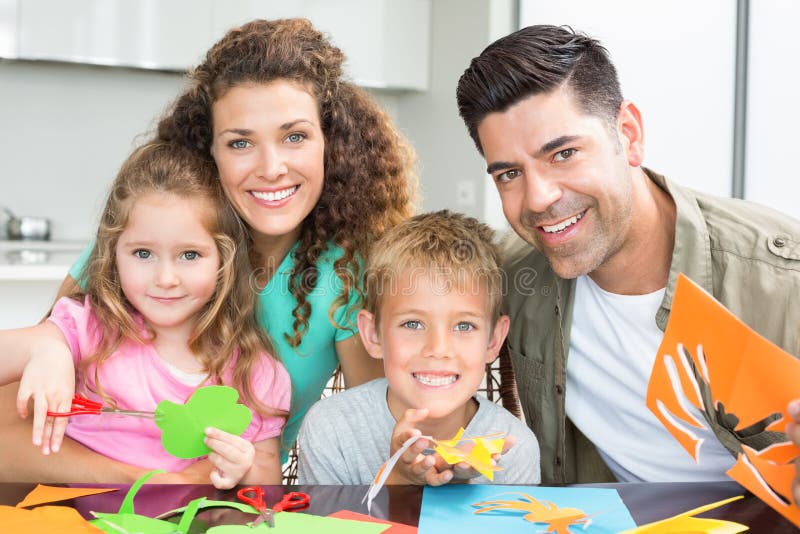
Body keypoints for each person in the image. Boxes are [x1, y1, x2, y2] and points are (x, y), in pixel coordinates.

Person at [0, 18, 417, 482]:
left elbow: (375, 441)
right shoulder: (144, 243)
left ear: (331, 144)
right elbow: (9, 428)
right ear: (207, 152)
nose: (272, 168)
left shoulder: (346, 275)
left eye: (294, 136)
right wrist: (154, 483)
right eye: (240, 142)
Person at [455, 25, 800, 486]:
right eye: (509, 173)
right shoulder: (513, 272)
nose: (537, 198)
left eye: (564, 154)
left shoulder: (782, 280)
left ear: (629, 134)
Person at [0, 142, 291, 489]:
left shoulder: (255, 373)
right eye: (142, 253)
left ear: (223, 260)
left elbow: (267, 485)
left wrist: (242, 468)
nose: (165, 278)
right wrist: (46, 350)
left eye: (189, 255)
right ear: (113, 254)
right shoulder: (88, 329)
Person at [296, 210, 541, 485]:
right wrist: (399, 482)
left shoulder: (514, 449)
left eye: (463, 326)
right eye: (413, 324)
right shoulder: (331, 430)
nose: (438, 349)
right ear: (373, 335)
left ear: (494, 340)